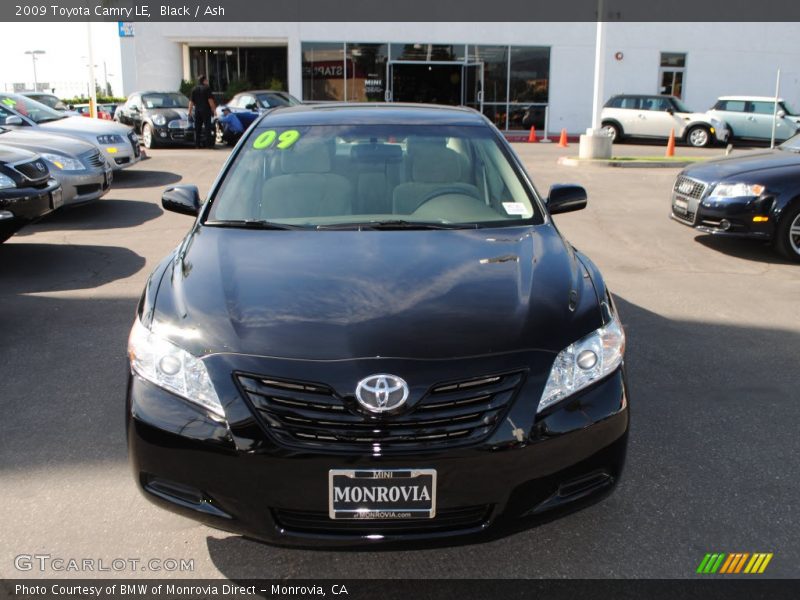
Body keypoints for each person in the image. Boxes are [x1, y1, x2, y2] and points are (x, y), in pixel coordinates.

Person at [188, 75, 216, 148]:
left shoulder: (194, 89)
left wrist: (189, 112)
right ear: (204, 81)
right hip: (206, 110)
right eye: (206, 80)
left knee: (198, 128)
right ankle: (208, 145)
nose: (207, 81)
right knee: (207, 127)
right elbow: (210, 101)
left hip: (197, 111)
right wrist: (214, 110)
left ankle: (197, 144)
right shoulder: (207, 89)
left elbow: (191, 102)